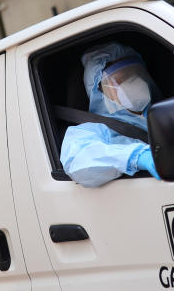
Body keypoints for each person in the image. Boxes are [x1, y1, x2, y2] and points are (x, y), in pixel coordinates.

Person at [60, 43, 162, 187]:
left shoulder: (163, 116)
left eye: (137, 74)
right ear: (99, 91)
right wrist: (137, 156)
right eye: (122, 79)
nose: (135, 82)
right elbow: (78, 160)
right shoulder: (94, 131)